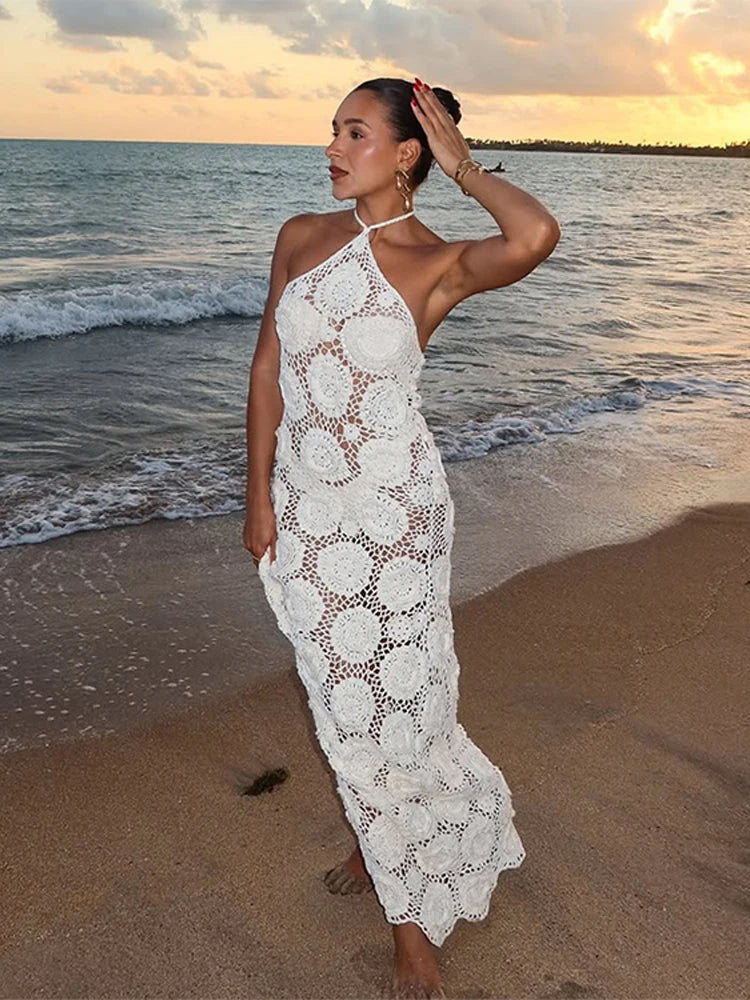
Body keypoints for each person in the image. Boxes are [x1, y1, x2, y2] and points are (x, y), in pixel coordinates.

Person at [244, 75, 560, 999]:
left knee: (399, 693)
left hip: (395, 516)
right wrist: (256, 496)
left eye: (354, 133)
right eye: (332, 131)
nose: (333, 149)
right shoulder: (301, 238)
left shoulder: (440, 263)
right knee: (336, 692)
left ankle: (412, 927)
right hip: (308, 507)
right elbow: (268, 363)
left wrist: (465, 168)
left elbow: (535, 235)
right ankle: (375, 831)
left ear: (407, 150)